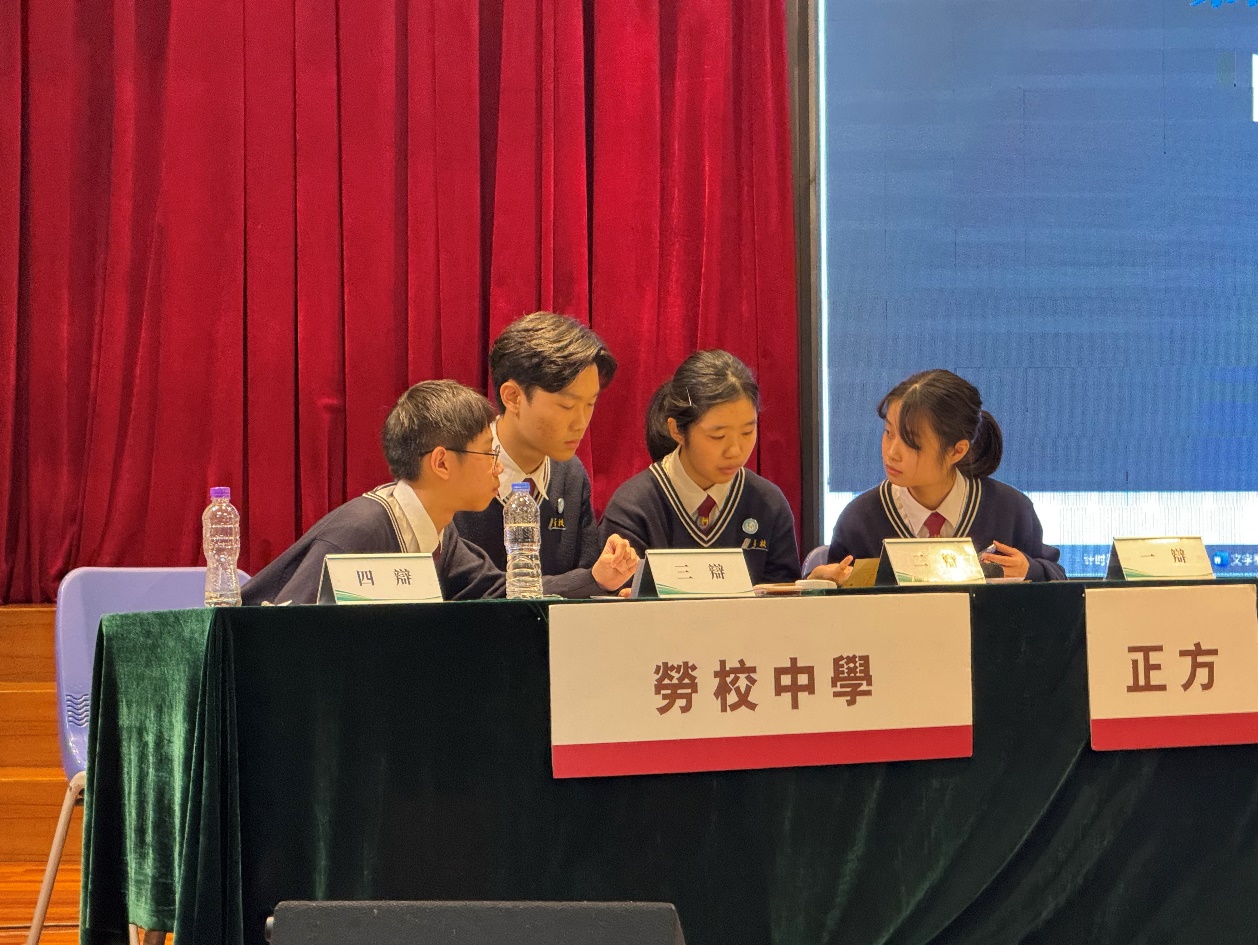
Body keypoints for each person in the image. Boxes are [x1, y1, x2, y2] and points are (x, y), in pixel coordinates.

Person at [243, 380, 638, 605]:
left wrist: (597, 578)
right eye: (489, 453)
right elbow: (286, 633)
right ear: (442, 463)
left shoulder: (441, 537)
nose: (498, 467)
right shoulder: (360, 531)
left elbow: (503, 592)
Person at [600, 350, 851, 586]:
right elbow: (621, 604)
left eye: (747, 432)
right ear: (677, 430)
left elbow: (779, 603)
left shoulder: (767, 504)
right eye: (718, 436)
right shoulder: (634, 508)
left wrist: (809, 586)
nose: (735, 450)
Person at [826, 369, 1066, 581]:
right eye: (888, 432)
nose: (891, 452)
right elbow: (833, 598)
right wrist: (818, 583)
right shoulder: (860, 519)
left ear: (956, 451)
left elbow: (1058, 579)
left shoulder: (1009, 509)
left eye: (911, 442)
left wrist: (1031, 570)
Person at [453, 312, 631, 597]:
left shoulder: (570, 473)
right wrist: (591, 580)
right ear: (513, 397)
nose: (581, 422)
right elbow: (470, 589)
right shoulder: (459, 467)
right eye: (566, 406)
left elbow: (586, 581)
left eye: (590, 404)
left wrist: (609, 582)